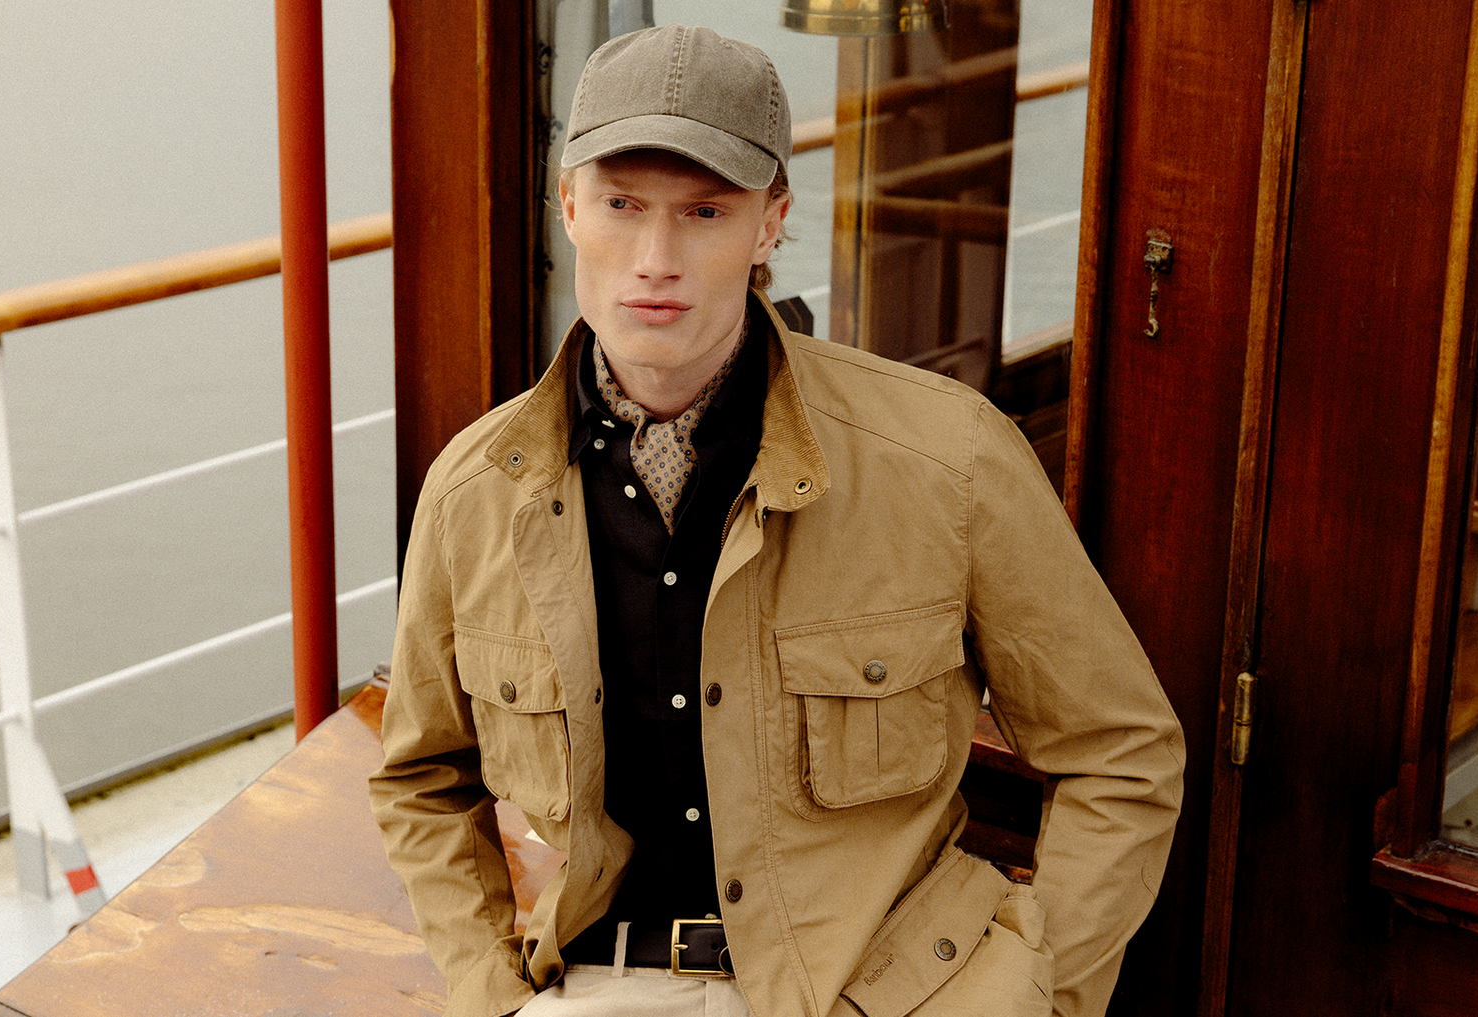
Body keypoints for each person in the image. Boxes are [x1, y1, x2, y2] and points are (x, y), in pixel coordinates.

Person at [370, 24, 1183, 1017]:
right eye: (623, 205)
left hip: (892, 992)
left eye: (705, 212)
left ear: (770, 225)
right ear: (569, 206)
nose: (656, 260)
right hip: (596, 985)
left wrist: (1044, 994)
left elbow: (1121, 753)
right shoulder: (473, 492)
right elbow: (423, 781)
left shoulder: (951, 459)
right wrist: (491, 994)